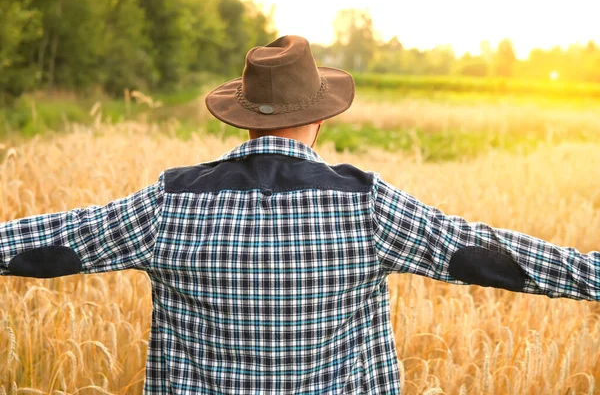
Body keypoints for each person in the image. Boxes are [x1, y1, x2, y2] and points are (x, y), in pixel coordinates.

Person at [1, 35, 598, 394]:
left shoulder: (169, 204)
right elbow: (483, 254)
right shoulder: (365, 206)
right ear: (319, 117)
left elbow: (54, 243)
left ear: (241, 114)